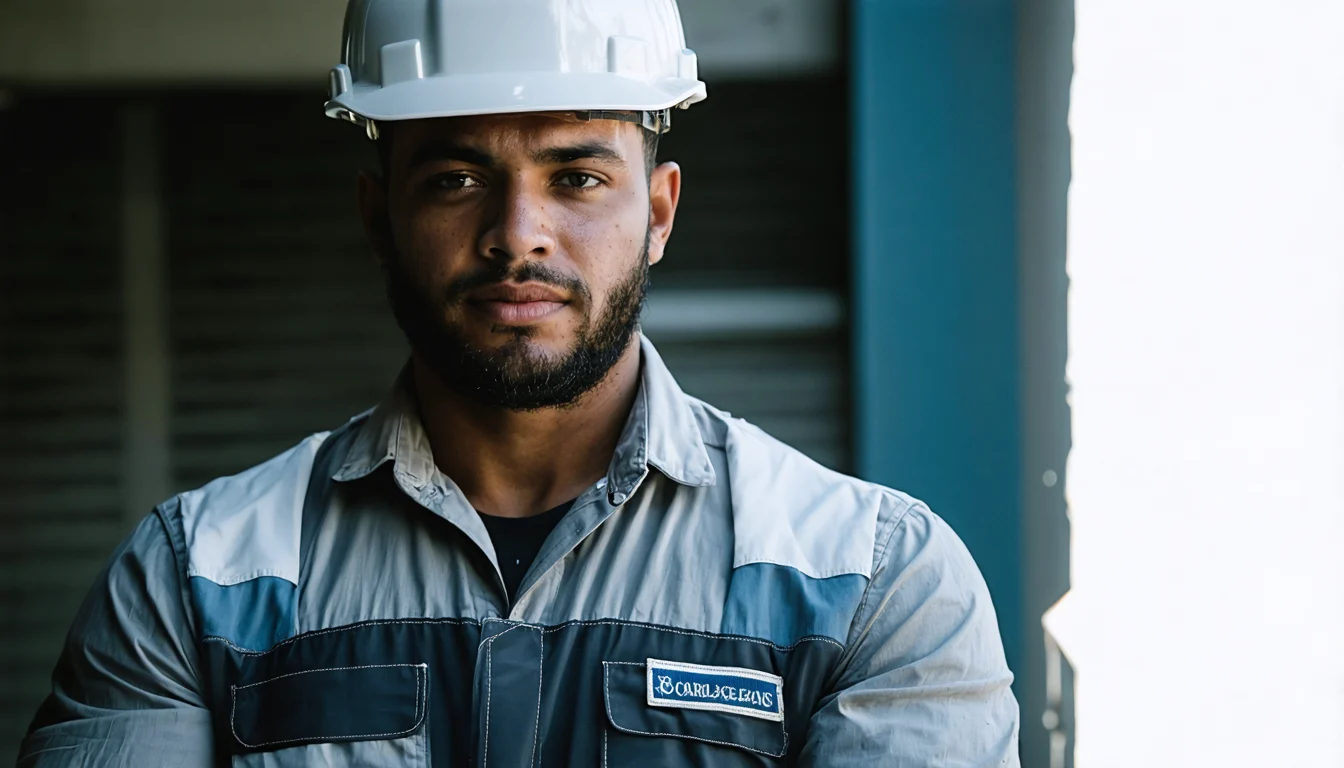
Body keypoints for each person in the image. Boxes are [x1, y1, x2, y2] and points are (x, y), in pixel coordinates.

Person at [17, 1, 1019, 765]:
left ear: (660, 213)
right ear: (377, 218)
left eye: (577, 176)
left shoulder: (879, 583)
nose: (517, 235)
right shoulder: (193, 582)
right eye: (455, 179)